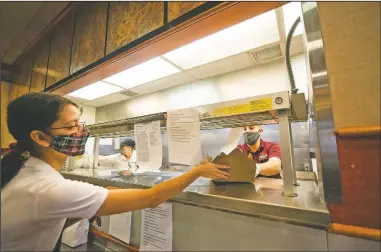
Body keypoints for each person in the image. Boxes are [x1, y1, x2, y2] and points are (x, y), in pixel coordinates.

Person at [1, 92, 229, 251]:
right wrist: (198, 171)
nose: (82, 131)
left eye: (80, 123)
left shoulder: (22, 167)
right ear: (40, 137)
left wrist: (83, 208)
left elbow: (36, 218)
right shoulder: (47, 187)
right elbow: (152, 198)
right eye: (71, 126)